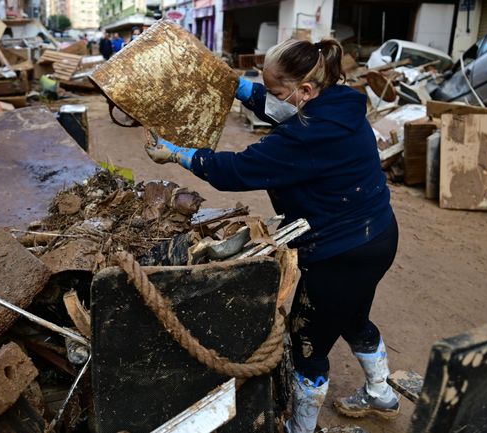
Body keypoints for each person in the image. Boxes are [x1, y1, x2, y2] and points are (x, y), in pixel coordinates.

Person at [144, 38, 400, 432]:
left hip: (340, 252)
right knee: (352, 315)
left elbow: (238, 170)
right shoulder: (342, 104)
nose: (276, 99)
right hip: (378, 235)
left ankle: (300, 427)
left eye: (278, 91)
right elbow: (284, 109)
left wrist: (180, 154)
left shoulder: (305, 137)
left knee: (306, 344)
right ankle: (381, 391)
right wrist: (245, 90)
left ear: (306, 90)